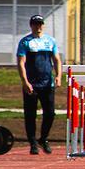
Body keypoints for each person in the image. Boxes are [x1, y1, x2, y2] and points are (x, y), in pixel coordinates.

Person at [16, 14, 62, 155]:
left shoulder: (50, 41)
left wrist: (59, 76)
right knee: (30, 114)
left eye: (41, 24)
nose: (38, 26)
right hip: (31, 84)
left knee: (50, 113)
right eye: (36, 24)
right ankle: (32, 142)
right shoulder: (25, 42)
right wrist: (25, 81)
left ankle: (43, 138)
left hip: (47, 83)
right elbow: (21, 63)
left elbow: (56, 60)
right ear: (31, 25)